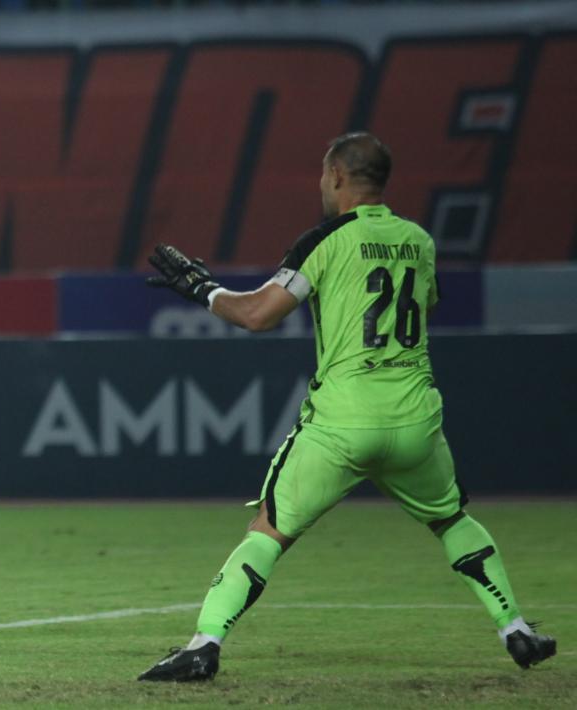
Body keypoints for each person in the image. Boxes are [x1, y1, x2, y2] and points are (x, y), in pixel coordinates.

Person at [138, 132, 557, 681]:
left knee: (269, 531)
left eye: (321, 174)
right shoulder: (420, 241)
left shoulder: (326, 239)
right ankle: (516, 629)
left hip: (341, 422)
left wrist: (203, 290)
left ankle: (203, 646)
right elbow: (424, 304)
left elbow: (259, 314)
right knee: (452, 518)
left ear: (336, 174)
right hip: (413, 420)